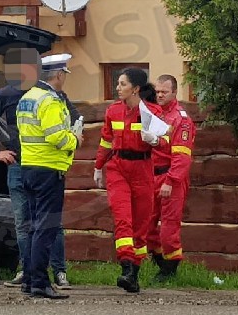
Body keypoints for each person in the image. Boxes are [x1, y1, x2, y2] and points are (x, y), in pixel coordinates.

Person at [0, 51, 71, 290]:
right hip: (32, 166)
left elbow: (73, 118)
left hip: (31, 166)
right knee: (32, 223)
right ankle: (32, 274)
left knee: (42, 224)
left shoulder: (44, 97)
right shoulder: (23, 96)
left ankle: (53, 271)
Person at [15, 51, 81, 300]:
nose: (64, 78)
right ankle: (40, 282)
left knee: (33, 226)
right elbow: (56, 136)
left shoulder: (27, 97)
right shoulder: (50, 100)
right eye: (64, 74)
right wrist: (75, 138)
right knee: (46, 227)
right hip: (48, 169)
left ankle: (30, 280)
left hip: (29, 167)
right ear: (59, 75)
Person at [94, 67, 161, 293]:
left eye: (122, 84)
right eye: (118, 83)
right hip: (118, 168)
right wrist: (98, 166)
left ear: (136, 89)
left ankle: (134, 272)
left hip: (143, 169)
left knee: (141, 224)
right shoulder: (113, 111)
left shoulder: (151, 112)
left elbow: (166, 140)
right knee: (123, 219)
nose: (118, 88)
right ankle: (125, 267)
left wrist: (154, 140)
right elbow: (105, 140)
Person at [149, 74, 196, 282]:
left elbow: (181, 158)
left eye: (164, 92)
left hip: (171, 177)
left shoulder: (181, 120)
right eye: (157, 91)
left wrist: (170, 181)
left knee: (169, 226)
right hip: (151, 175)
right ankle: (159, 260)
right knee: (147, 223)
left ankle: (170, 268)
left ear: (174, 93)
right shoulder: (154, 113)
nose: (159, 95)